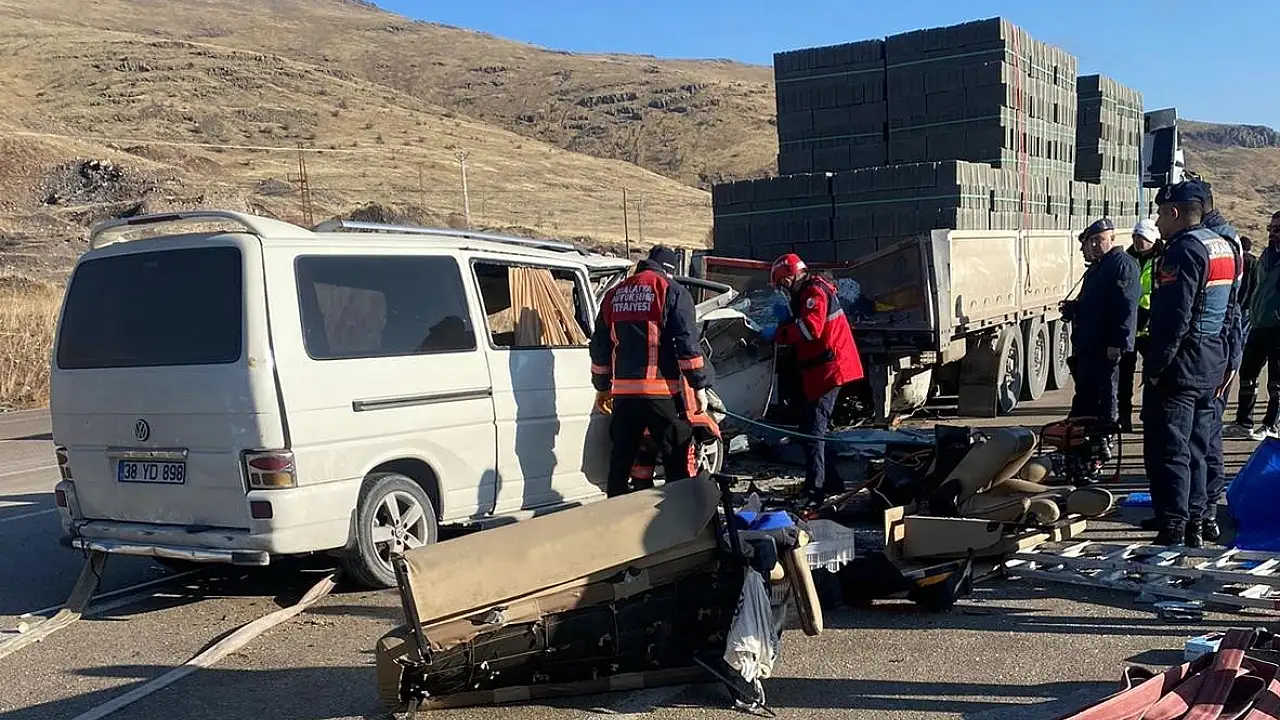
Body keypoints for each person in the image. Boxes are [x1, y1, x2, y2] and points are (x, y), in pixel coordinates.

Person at [1142, 179, 1239, 547]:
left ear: (1174, 212)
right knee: (1199, 448)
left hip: (1181, 365)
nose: (1157, 221)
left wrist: (1157, 366)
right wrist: (1226, 359)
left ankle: (1173, 527)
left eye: (1160, 214)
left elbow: (1174, 317)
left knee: (1170, 448)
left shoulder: (1183, 251)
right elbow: (1231, 311)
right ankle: (1197, 520)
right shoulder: (1222, 245)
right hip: (1211, 360)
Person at [590, 246, 711, 498]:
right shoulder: (671, 290)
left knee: (621, 460)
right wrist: (698, 385)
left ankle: (616, 514)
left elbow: (600, 347)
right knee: (675, 457)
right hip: (660, 393)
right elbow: (686, 343)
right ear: (668, 270)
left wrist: (602, 387)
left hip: (623, 396)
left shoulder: (614, 294)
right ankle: (677, 514)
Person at [759, 253, 864, 505]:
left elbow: (810, 330)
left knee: (813, 432)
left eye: (782, 284)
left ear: (791, 278)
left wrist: (780, 332)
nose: (783, 290)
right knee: (810, 429)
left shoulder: (813, 293)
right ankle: (830, 482)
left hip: (830, 370)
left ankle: (816, 490)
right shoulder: (811, 291)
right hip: (824, 370)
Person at [1060, 218, 1141, 425]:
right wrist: (1074, 308)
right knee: (1087, 395)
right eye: (1091, 241)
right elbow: (1096, 303)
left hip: (1106, 346)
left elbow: (1126, 307)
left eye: (1100, 240)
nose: (1095, 245)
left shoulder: (1122, 264)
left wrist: (1119, 343)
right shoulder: (1099, 266)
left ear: (1112, 239)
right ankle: (1087, 432)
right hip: (1090, 345)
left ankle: (1105, 433)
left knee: (1106, 393)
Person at [1225, 211, 1280, 441]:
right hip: (1259, 323)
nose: (1272, 233)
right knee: (1247, 373)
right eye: (1271, 228)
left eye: (1277, 229)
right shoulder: (1267, 255)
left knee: (1276, 381)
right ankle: (1244, 422)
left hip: (1277, 326)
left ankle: (1271, 424)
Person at [1117, 217, 1164, 431]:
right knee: (1124, 377)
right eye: (1135, 236)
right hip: (1130, 326)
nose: (1137, 241)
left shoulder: (1163, 259)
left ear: (1152, 239)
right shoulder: (1128, 259)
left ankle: (1149, 414)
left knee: (1152, 375)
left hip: (1151, 327)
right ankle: (1123, 418)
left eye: (1142, 237)